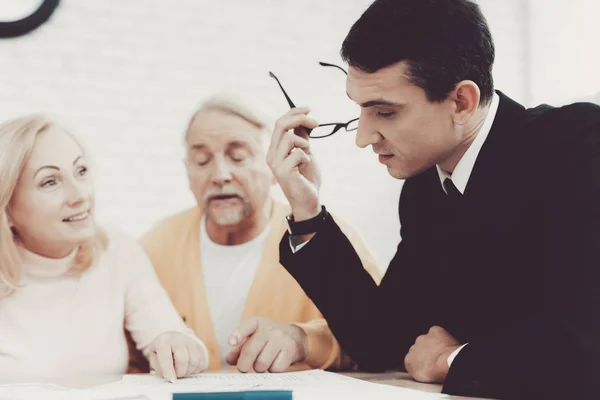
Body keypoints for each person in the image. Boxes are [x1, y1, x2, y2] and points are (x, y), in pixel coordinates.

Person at [265, 0, 600, 398]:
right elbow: (383, 338)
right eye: (362, 110)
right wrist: (307, 210)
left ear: (462, 101)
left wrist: (452, 360)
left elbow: (583, 351)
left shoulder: (580, 147)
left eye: (385, 112)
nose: (362, 137)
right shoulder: (425, 187)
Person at [139, 94, 380, 373]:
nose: (220, 175)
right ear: (187, 171)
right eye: (202, 160)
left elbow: (383, 338)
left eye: (238, 157)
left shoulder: (325, 239)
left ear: (274, 166)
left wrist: (304, 340)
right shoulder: (155, 248)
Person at [0, 115, 209, 383]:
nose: (80, 195)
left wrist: (179, 346)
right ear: (7, 210)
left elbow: (181, 341)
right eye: (50, 182)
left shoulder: (117, 250)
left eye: (81, 171)